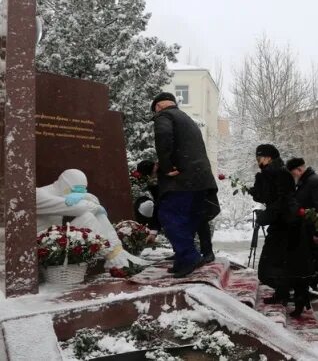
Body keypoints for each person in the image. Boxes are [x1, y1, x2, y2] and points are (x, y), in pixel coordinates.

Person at [152, 92, 218, 278]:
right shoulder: (185, 118)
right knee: (188, 219)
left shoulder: (164, 115)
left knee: (169, 215)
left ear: (157, 107)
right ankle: (183, 260)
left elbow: (163, 136)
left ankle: (189, 257)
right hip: (200, 180)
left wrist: (165, 166)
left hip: (182, 180)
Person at [36, 169, 150, 269]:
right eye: (76, 191)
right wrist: (89, 200)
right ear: (64, 186)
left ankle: (118, 252)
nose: (78, 194)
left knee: (91, 215)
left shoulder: (62, 193)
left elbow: (82, 206)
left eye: (82, 192)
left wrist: (88, 201)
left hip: (55, 239)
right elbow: (78, 207)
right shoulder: (38, 194)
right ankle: (113, 256)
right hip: (40, 245)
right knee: (88, 215)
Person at [135, 159, 219, 263]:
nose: (152, 178)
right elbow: (159, 205)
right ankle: (181, 253)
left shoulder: (170, 167)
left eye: (151, 174)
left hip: (193, 195)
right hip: (179, 206)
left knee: (201, 223)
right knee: (180, 226)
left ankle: (207, 252)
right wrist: (153, 232)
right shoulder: (155, 183)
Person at [249, 144, 297, 305]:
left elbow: (281, 202)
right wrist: (255, 190)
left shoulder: (281, 174)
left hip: (283, 226)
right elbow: (266, 197)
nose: (258, 161)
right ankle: (284, 292)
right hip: (278, 224)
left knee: (268, 267)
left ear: (268, 158)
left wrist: (265, 216)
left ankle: (287, 290)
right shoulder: (269, 174)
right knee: (272, 264)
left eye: (259, 158)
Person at [285, 157, 318, 318]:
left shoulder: (315, 182)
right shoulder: (304, 183)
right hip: (304, 234)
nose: (293, 177)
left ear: (299, 169)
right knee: (305, 270)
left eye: (293, 173)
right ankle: (302, 301)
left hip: (313, 235)